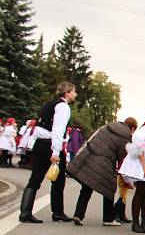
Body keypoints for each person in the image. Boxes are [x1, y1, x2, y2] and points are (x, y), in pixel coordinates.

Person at [19, 82, 77, 224]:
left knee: (36, 177)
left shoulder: (49, 104)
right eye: (74, 91)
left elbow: (39, 126)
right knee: (58, 181)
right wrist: (56, 152)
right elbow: (58, 129)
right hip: (51, 145)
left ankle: (25, 212)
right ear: (67, 92)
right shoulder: (63, 107)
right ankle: (57, 212)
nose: (75, 94)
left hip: (40, 143)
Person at [68, 118, 138, 226]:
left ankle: (78, 214)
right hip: (105, 161)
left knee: (87, 187)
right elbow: (121, 155)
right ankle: (108, 218)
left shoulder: (108, 126)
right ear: (132, 128)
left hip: (91, 157)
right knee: (109, 189)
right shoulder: (126, 135)